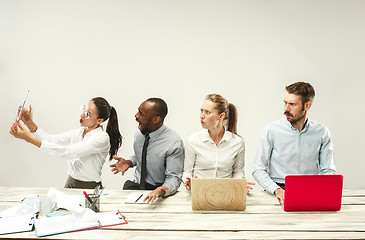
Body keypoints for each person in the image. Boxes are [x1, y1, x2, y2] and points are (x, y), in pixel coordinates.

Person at [252, 82, 337, 205]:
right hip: (277, 189)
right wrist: (277, 190)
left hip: (311, 189)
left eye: (292, 104)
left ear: (307, 105)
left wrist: (321, 190)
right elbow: (258, 169)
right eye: (285, 103)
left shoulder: (322, 132)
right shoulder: (271, 130)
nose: (286, 109)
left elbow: (328, 170)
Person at [10, 97, 122, 189]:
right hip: (70, 183)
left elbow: (68, 153)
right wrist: (30, 123)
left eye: (88, 114)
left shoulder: (101, 138)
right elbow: (50, 140)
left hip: (89, 187)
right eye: (83, 109)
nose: (82, 115)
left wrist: (29, 139)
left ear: (99, 120)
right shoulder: (79, 132)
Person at [110, 98, 184, 204]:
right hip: (136, 186)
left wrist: (162, 190)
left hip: (157, 192)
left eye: (141, 114)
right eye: (138, 111)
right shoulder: (139, 132)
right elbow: (142, 155)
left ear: (156, 119)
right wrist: (129, 162)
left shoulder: (173, 143)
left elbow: (174, 177)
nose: (136, 116)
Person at [182, 94, 255, 194]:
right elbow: (187, 171)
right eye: (201, 111)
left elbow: (238, 172)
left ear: (221, 116)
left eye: (207, 112)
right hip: (198, 194)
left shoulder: (237, 143)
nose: (201, 116)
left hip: (226, 194)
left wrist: (239, 184)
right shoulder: (193, 140)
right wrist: (188, 182)